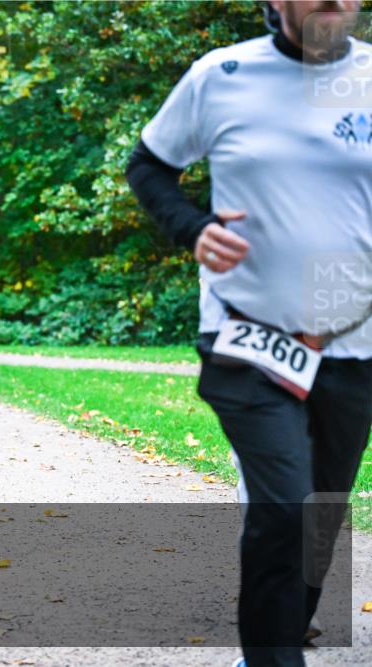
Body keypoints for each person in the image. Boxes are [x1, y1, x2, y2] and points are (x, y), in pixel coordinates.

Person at [126, 3, 371, 665]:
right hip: (247, 337)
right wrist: (192, 226)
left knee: (319, 510)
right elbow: (148, 166)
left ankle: (284, 631)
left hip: (354, 344)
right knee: (283, 507)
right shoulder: (222, 75)